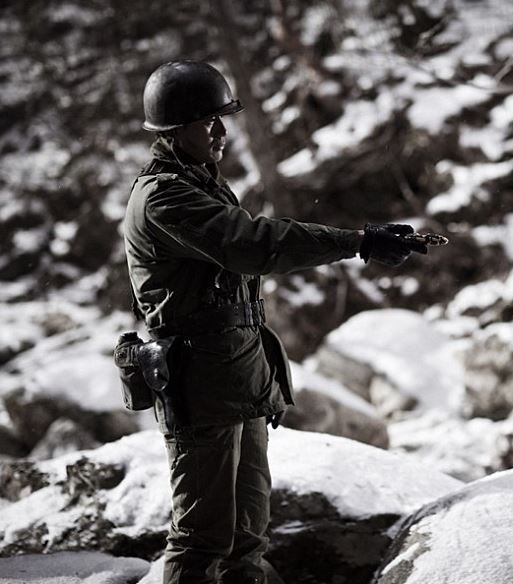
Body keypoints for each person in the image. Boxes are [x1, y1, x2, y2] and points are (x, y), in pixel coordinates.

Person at [123, 60, 427, 584]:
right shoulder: (165, 198)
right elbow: (254, 244)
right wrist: (357, 242)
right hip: (200, 385)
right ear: (173, 131)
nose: (221, 132)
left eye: (222, 119)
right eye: (208, 122)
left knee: (247, 537)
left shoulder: (200, 184)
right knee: (201, 540)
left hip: (233, 377)